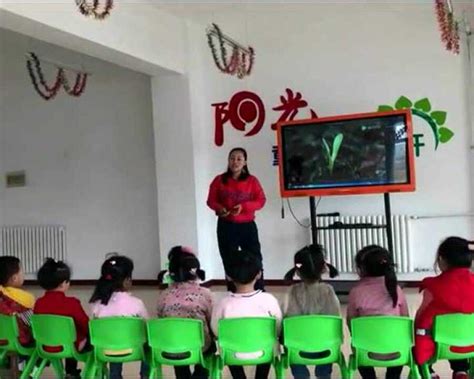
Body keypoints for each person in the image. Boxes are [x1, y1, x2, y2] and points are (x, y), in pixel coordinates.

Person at [211, 249, 282, 379]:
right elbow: (277, 328)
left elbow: (216, 331)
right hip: (264, 352)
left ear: (228, 276)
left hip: (232, 353)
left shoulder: (223, 303)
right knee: (269, 341)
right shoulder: (269, 300)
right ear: (259, 274)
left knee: (227, 342)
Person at [207, 147, 266, 290]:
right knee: (228, 258)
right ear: (228, 161)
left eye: (239, 159)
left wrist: (244, 207)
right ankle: (233, 290)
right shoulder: (219, 180)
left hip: (247, 225)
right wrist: (220, 208)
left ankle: (258, 289)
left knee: (255, 258)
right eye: (232, 158)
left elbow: (261, 200)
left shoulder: (252, 181)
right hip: (226, 225)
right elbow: (211, 200)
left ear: (245, 162)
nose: (235, 162)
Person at [414, 237, 474, 379]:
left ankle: (430, 372)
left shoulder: (433, 286)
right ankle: (461, 371)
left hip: (437, 345)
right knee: (458, 334)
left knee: (424, 333)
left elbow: (421, 316)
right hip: (470, 343)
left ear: (441, 259)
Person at [347, 245, 409, 379]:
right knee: (402, 340)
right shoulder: (396, 289)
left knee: (356, 342)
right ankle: (393, 376)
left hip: (366, 350)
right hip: (396, 350)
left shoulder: (356, 292)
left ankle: (369, 377)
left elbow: (351, 323)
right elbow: (406, 320)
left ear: (361, 269)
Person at [283, 245, 340, 379]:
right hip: (325, 350)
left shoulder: (292, 291)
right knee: (332, 337)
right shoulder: (328, 291)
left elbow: (287, 322)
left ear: (297, 271)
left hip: (298, 350)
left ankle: (300, 375)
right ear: (324, 268)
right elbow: (335, 321)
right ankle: (324, 374)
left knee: (288, 339)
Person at [156, 246, 213, 379]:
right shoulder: (205, 294)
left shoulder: (164, 295)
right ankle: (200, 374)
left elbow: (161, 319)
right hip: (199, 347)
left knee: (177, 340)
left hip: (171, 347)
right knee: (209, 344)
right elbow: (212, 321)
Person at [90, 254, 149, 379]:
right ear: (127, 280)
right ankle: (145, 375)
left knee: (113, 340)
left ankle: (114, 375)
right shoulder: (136, 303)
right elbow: (147, 327)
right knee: (149, 342)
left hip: (106, 350)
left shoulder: (97, 304)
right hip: (134, 350)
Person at [34, 259, 89, 379]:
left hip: (45, 346)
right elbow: (85, 324)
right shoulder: (72, 303)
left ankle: (70, 372)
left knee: (68, 334)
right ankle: (72, 372)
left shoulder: (38, 303)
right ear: (64, 283)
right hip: (70, 348)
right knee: (84, 335)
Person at [0, 256, 35, 346]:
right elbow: (31, 322)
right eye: (22, 272)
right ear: (14, 278)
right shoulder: (25, 299)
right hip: (19, 342)